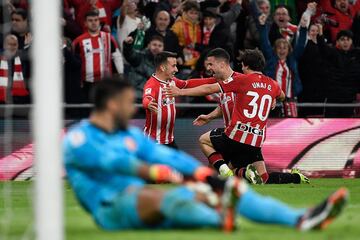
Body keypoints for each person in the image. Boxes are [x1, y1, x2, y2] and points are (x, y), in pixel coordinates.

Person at [63, 78, 348, 232]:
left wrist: (205, 176)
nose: (132, 109)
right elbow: (119, 163)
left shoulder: (128, 134)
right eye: (127, 104)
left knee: (228, 188)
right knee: (171, 197)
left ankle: (301, 218)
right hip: (110, 209)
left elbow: (168, 157)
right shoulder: (79, 138)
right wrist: (171, 176)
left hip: (140, 203)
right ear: (111, 105)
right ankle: (218, 212)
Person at [188, 48, 309, 184]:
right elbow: (282, 95)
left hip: (237, 135)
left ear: (245, 65)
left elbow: (209, 88)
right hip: (256, 140)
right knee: (264, 178)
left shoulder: (243, 80)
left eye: (242, 65)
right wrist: (273, 97)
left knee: (204, 142)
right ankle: (296, 177)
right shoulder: (272, 84)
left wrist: (180, 93)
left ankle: (242, 173)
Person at [142, 51, 219, 147]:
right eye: (173, 66)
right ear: (162, 67)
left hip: (169, 140)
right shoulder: (152, 84)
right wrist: (148, 103)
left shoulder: (172, 81)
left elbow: (188, 83)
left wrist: (215, 79)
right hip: (154, 142)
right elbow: (147, 97)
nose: (177, 69)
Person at [258, 13, 308, 117]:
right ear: (275, 50)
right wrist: (262, 26)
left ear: (289, 50)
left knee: (291, 125)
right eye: (279, 48)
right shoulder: (271, 59)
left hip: (290, 99)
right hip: (272, 98)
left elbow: (301, 45)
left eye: (284, 48)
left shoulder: (292, 60)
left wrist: (303, 28)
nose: (282, 50)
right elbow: (265, 43)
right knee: (272, 123)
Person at [73, 10, 123, 101]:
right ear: (85, 23)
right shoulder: (78, 41)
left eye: (96, 20)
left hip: (105, 82)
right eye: (90, 20)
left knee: (104, 109)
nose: (94, 23)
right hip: (86, 83)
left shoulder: (108, 38)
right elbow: (74, 62)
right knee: (88, 109)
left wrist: (120, 74)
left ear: (99, 22)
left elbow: (117, 57)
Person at [317, 27, 360, 117]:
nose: (345, 42)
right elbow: (322, 48)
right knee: (330, 125)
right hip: (333, 98)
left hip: (349, 99)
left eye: (348, 39)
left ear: (351, 41)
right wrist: (320, 32)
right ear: (338, 42)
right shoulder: (333, 53)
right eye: (342, 39)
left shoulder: (357, 54)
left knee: (346, 127)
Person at [123, 35, 164, 102]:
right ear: (148, 46)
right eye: (154, 45)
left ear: (163, 48)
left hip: (152, 101)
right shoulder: (140, 57)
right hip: (136, 98)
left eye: (160, 46)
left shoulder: (164, 64)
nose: (157, 47)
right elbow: (130, 54)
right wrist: (127, 46)